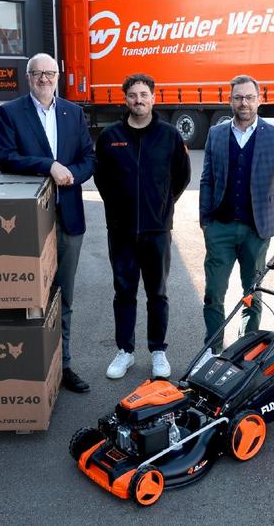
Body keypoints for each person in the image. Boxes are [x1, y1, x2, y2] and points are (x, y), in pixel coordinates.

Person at [197, 74, 274, 368]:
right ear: (230, 101)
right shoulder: (216, 134)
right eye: (238, 98)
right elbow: (207, 178)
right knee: (214, 293)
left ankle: (244, 352)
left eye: (249, 97)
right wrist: (206, 220)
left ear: (259, 100)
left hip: (257, 229)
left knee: (252, 292)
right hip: (220, 227)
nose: (244, 103)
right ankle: (212, 351)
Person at [0, 53, 96, 393]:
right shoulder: (10, 112)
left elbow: (88, 158)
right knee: (26, 294)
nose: (44, 78)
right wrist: (48, 166)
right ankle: (27, 367)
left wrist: (71, 175)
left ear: (58, 77)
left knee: (63, 296)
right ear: (28, 77)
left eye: (49, 73)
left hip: (68, 218)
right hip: (28, 221)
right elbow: (7, 159)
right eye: (37, 73)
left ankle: (62, 365)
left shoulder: (73, 112)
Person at [94, 74, 191, 379]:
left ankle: (158, 351)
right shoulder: (110, 136)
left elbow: (181, 176)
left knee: (157, 293)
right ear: (125, 99)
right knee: (124, 292)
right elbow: (101, 179)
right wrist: (117, 210)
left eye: (144, 95)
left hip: (156, 231)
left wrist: (162, 207)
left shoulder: (169, 136)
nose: (138, 100)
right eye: (133, 95)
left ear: (153, 98)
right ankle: (125, 351)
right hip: (121, 231)